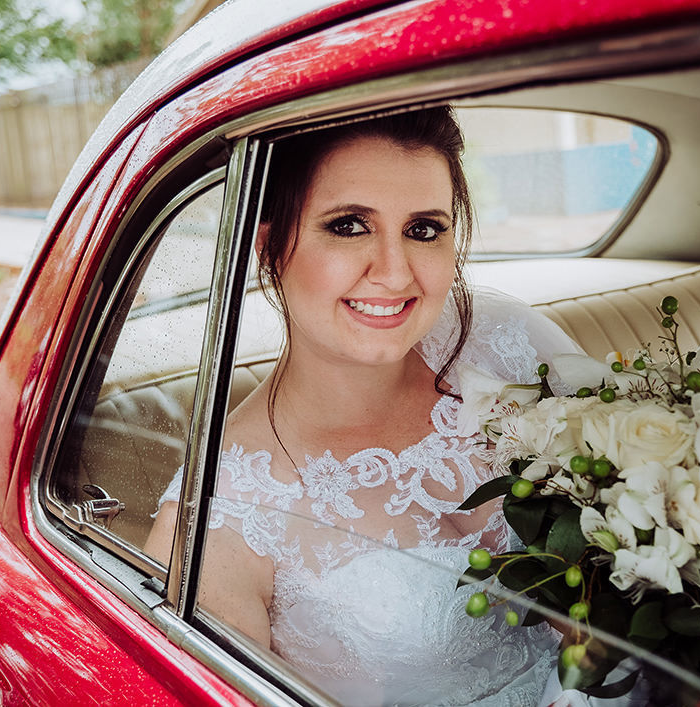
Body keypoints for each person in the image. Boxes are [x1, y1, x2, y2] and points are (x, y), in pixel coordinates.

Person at [146, 107, 587, 705]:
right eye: (350, 226)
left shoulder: (504, 342)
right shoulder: (214, 522)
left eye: (424, 229)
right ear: (271, 246)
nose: (395, 272)